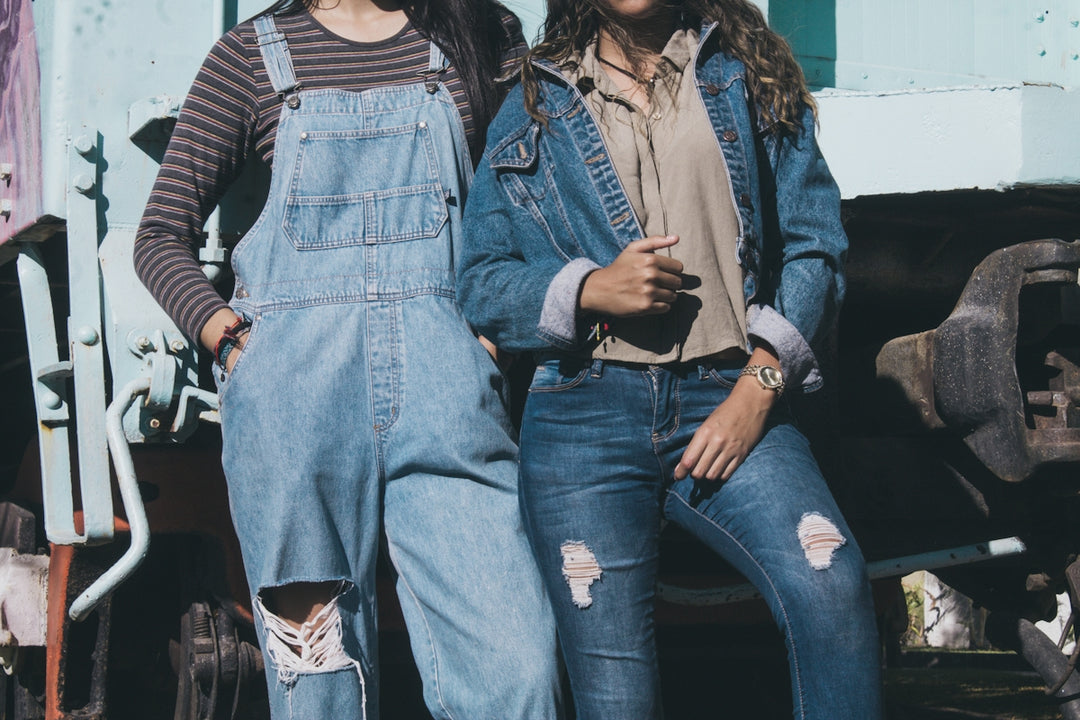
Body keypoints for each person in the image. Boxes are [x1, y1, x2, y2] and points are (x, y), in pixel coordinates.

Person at [134, 1, 561, 718]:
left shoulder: (479, 35)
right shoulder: (250, 55)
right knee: (319, 682)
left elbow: (532, 206)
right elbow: (159, 235)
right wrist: (232, 344)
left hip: (450, 396)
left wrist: (495, 342)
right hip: (294, 408)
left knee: (516, 671)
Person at [457, 0, 884, 717]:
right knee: (615, 695)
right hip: (583, 417)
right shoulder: (534, 101)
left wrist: (760, 385)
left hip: (729, 394)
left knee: (830, 582)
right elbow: (481, 280)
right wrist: (590, 288)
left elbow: (815, 244)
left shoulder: (746, 74)